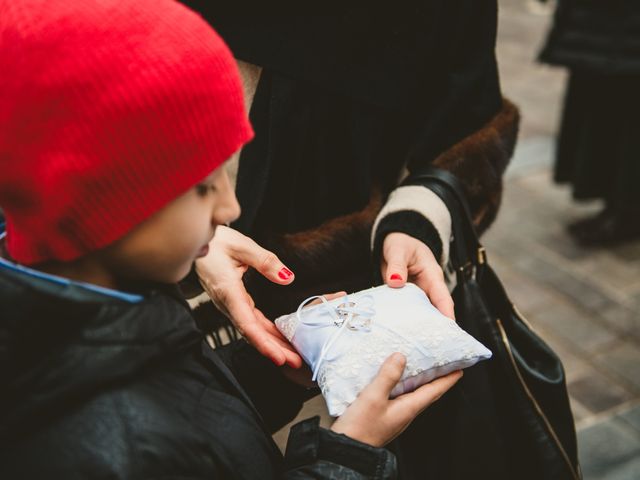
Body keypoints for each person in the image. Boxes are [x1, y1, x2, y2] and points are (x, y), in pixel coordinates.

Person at [0, 1, 462, 478]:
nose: (230, 210)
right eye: (205, 184)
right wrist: (347, 456)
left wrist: (268, 375)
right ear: (106, 200)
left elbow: (189, 417)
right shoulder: (103, 449)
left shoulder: (110, 298)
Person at [181, 1, 520, 373]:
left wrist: (416, 219)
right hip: (164, 270)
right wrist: (188, 233)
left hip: (346, 297)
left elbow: (465, 117)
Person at [540, 0, 640, 245]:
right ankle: (617, 206)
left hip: (622, 33)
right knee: (606, 114)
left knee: (625, 118)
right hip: (605, 30)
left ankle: (625, 211)